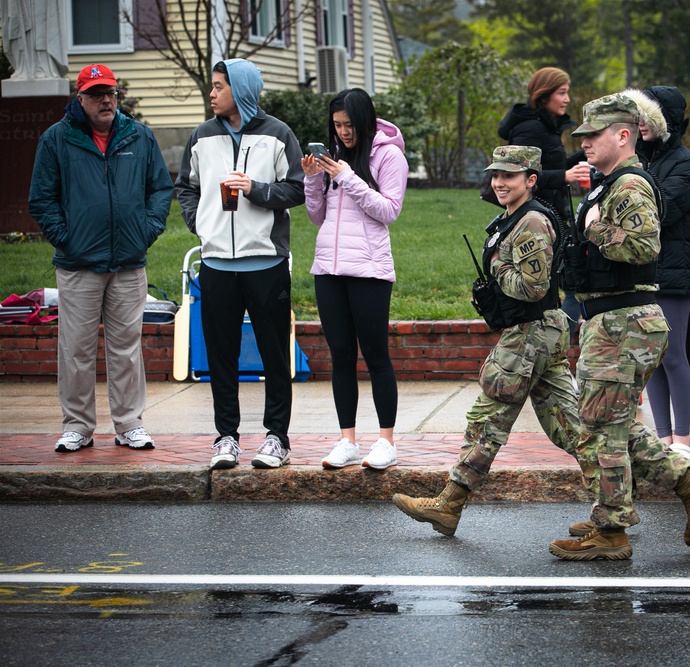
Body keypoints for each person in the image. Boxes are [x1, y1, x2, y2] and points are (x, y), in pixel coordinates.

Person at [549, 94, 690, 561]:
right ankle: (687, 484)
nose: (583, 143)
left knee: (602, 428)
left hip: (625, 320)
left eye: (593, 135)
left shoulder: (629, 185)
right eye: (581, 135)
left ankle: (611, 532)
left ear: (622, 135)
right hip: (610, 318)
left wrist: (596, 228)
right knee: (610, 422)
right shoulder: (607, 184)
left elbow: (645, 246)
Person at [392, 145, 584, 535]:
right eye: (495, 175)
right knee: (572, 428)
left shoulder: (531, 222)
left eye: (509, 176)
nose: (499, 182)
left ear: (531, 180)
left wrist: (496, 271)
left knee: (487, 419)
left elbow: (533, 288)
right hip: (537, 332)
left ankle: (449, 504)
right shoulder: (510, 219)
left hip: (531, 333)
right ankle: (671, 482)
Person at [28, 63, 173, 453]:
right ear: (80, 99)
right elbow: (41, 198)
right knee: (75, 349)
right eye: (95, 94)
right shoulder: (57, 139)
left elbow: (160, 188)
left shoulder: (138, 135)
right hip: (78, 265)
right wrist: (66, 238)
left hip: (128, 262)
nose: (105, 100)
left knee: (126, 348)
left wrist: (146, 230)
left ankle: (129, 425)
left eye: (109, 92)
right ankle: (77, 426)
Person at [175, 58, 305, 470]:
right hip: (216, 265)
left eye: (219, 86)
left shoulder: (278, 134)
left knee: (273, 356)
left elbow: (297, 189)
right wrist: (202, 224)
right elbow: (186, 187)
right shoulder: (202, 136)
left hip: (266, 264)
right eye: (212, 86)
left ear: (241, 91)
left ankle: (276, 438)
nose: (211, 93)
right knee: (221, 356)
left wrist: (257, 190)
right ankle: (226, 438)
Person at [302, 88, 408, 470]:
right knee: (341, 356)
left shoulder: (388, 155)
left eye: (348, 125)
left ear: (364, 121)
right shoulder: (334, 156)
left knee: (376, 355)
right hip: (329, 270)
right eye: (336, 126)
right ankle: (347, 441)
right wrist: (314, 179)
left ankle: (386, 441)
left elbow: (389, 211)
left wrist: (348, 178)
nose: (343, 133)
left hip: (369, 269)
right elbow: (317, 217)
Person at [622, 86, 690, 451]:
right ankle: (663, 437)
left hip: (674, 272)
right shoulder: (637, 160)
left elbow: (662, 210)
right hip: (644, 274)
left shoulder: (683, 161)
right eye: (635, 117)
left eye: (647, 116)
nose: (641, 124)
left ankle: (683, 439)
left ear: (663, 119)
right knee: (649, 357)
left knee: (673, 355)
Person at [498, 67, 590, 337]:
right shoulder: (530, 129)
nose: (567, 99)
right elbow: (518, 174)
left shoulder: (547, 126)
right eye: (562, 93)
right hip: (537, 219)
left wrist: (581, 158)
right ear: (544, 95)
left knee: (567, 286)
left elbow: (547, 164)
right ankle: (553, 343)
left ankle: (552, 345)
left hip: (554, 214)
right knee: (567, 287)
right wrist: (564, 175)